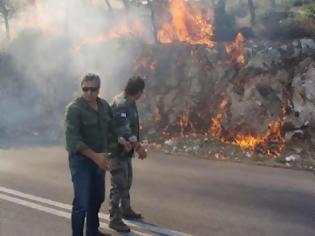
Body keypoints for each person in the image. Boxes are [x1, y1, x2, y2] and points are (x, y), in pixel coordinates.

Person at [65, 73, 114, 236]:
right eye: (85, 89)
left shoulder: (105, 107)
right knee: (82, 202)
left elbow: (111, 131)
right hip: (81, 161)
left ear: (99, 89)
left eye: (93, 89)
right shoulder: (74, 109)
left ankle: (92, 231)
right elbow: (73, 141)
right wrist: (96, 157)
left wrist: (119, 144)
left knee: (97, 197)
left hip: (99, 160)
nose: (89, 93)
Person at [108, 76, 148, 233]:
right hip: (116, 150)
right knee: (117, 186)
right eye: (141, 92)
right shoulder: (123, 104)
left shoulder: (128, 101)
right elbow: (124, 129)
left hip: (125, 151)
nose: (141, 95)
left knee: (127, 181)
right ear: (138, 91)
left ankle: (126, 209)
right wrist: (138, 147)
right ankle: (114, 219)